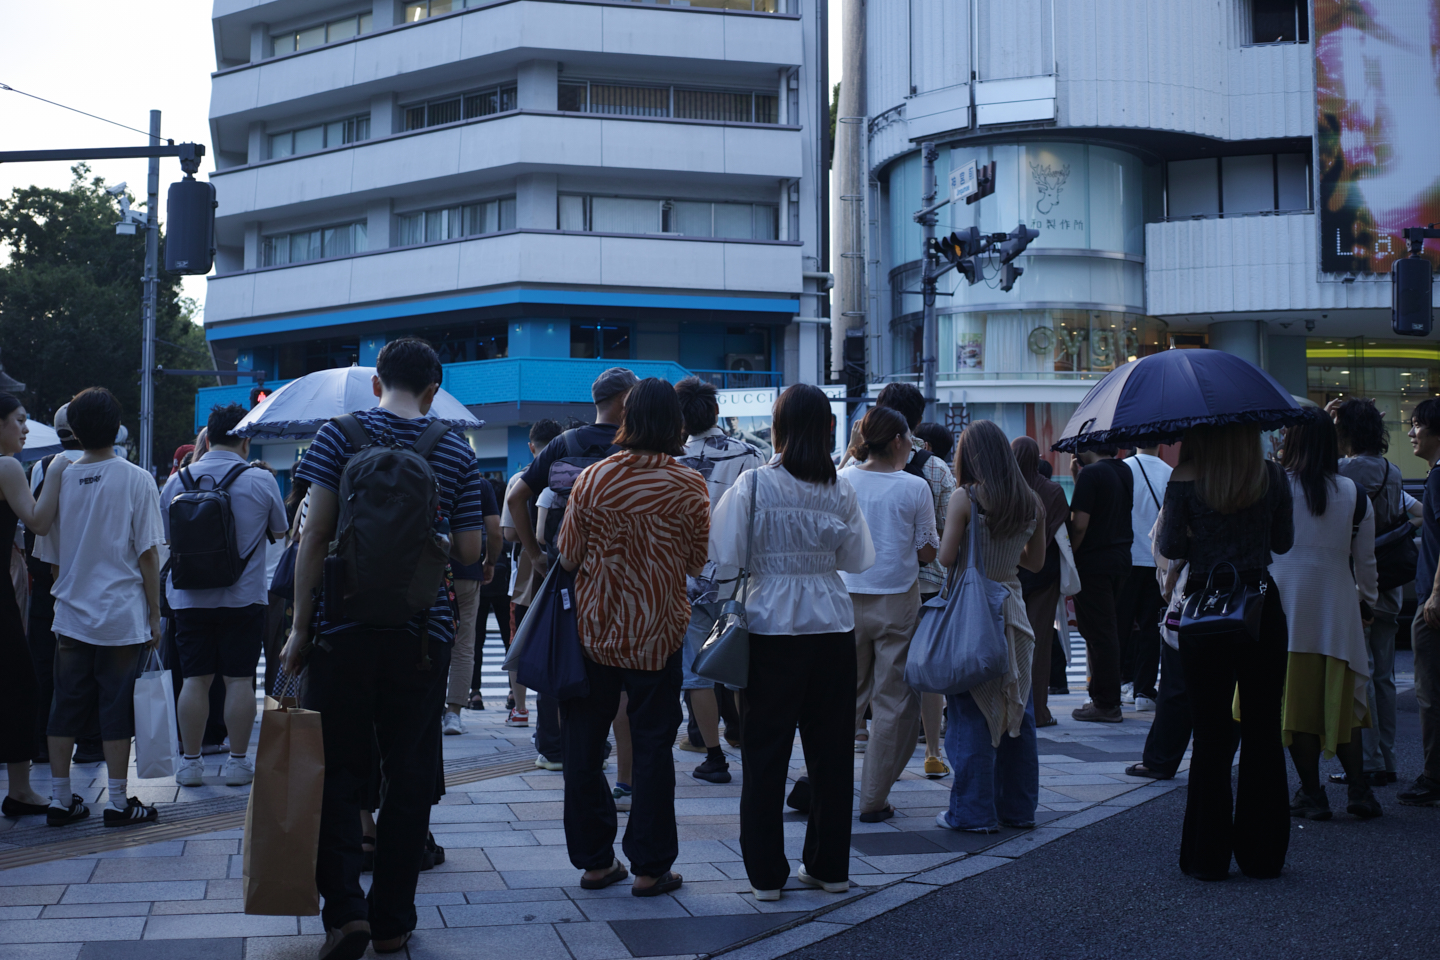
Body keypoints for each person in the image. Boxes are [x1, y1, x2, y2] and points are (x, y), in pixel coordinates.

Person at [280, 338, 486, 959]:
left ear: (377, 383)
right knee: (409, 773)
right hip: (421, 634)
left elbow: (315, 536)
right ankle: (392, 921)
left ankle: (346, 914)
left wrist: (299, 628)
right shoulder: (456, 449)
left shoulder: (337, 436)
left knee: (336, 771)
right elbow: (470, 552)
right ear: (433, 390)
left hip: (341, 629)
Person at [711, 384, 874, 900]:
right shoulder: (839, 488)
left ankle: (766, 876)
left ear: (777, 427)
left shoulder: (755, 483)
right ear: (827, 428)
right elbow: (858, 558)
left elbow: (726, 551)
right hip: (831, 624)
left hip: (769, 626)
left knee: (765, 754)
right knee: (831, 753)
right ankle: (829, 867)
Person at [553, 378, 710, 897]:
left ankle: (595, 863)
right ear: (676, 424)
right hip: (657, 633)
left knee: (582, 747)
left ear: (627, 417)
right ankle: (649, 867)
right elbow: (696, 562)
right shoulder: (689, 485)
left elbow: (569, 556)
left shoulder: (593, 478)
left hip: (594, 631)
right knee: (653, 749)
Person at [1156, 422, 1294, 880]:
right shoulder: (1271, 475)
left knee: (1211, 733)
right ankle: (1262, 854)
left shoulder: (1185, 477)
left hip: (1205, 607)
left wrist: (1197, 531)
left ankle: (1207, 855)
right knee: (1263, 728)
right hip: (1259, 604)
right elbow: (1283, 542)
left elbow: (1170, 545)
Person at [45, 387, 166, 828]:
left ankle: (60, 800)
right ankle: (117, 802)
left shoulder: (60, 478)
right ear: (117, 428)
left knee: (65, 704)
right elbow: (148, 554)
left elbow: (53, 558)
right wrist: (154, 614)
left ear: (74, 431)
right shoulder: (137, 478)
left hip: (71, 614)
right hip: (120, 614)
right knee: (116, 706)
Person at [160, 403, 289, 789]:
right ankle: (237, 763)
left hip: (189, 600)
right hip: (243, 599)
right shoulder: (260, 480)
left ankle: (190, 764)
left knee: (194, 681)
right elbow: (280, 531)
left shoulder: (176, 483)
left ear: (209, 436)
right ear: (245, 440)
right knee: (238, 681)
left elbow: (168, 539)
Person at [934, 421, 1048, 832]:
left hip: (972, 613)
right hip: (1013, 612)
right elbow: (1035, 563)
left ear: (969, 455)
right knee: (1018, 708)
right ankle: (1018, 810)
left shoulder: (965, 498)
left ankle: (972, 813)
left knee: (970, 711)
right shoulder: (1032, 501)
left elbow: (946, 558)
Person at [1271, 414, 1381, 820]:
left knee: (1296, 707)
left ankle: (1313, 794)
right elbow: (1365, 562)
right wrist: (1366, 602)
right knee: (1343, 704)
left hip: (1285, 607)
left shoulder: (1275, 485)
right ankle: (1360, 791)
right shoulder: (1353, 493)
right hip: (1337, 607)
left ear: (1292, 440)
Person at [839, 406, 939, 822]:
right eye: (910, 440)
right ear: (898, 441)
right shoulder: (914, 487)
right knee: (892, 702)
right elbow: (927, 551)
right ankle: (873, 798)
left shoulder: (842, 479)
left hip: (844, 597)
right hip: (897, 598)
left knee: (842, 696)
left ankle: (821, 783)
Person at [674, 376, 764, 784]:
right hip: (738, 579)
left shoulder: (672, 460)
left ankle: (714, 757)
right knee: (741, 668)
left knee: (697, 672)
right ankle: (754, 748)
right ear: (715, 411)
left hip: (689, 581)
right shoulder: (750, 455)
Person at [874, 384, 955, 780]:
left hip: (871, 582)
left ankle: (865, 736)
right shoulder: (936, 468)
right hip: (926, 583)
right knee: (927, 668)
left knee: (877, 668)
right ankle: (933, 751)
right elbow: (948, 531)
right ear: (919, 419)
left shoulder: (857, 466)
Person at [1332, 398, 1410, 787]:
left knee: (1360, 674)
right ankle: (1389, 759)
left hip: (1356, 583)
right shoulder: (1393, 471)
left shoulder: (1343, 471)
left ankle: (1370, 760)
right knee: (1385, 675)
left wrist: (1327, 422)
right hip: (1390, 582)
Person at [0, 394, 69, 818]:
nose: (25, 429)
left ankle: (21, 790)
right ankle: (21, 790)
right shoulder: (7, 466)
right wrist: (57, 470)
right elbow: (39, 522)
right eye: (19, 420)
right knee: (20, 684)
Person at [22, 402, 103, 765]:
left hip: (47, 581)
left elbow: (31, 524)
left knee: (45, 665)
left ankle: (42, 742)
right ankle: (90, 741)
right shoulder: (110, 466)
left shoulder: (42, 468)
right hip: (95, 581)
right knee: (93, 666)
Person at [499, 418, 563, 728]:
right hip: (565, 565)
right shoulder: (572, 474)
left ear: (531, 446)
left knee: (520, 639)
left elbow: (509, 534)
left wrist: (534, 551)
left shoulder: (519, 479)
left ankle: (520, 709)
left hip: (526, 572)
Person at [1068, 442, 1134, 723]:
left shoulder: (1091, 474)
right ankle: (1102, 697)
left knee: (1099, 634)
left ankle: (1107, 703)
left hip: (1093, 562)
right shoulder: (1123, 470)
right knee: (1108, 630)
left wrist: (1070, 555)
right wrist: (1078, 479)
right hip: (1120, 559)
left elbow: (1080, 524)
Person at [1011, 438, 1069, 728]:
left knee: (1010, 641)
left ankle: (1011, 706)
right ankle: (1038, 710)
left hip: (1010, 572)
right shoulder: (1052, 491)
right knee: (1040, 643)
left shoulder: (1005, 488)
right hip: (1045, 573)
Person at [1401, 398, 1440, 807]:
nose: (1412, 433)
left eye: (1417, 425)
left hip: (1433, 601)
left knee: (1430, 692)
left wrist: (1435, 593)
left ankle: (1433, 777)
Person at [441, 480, 501, 736]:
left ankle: (430, 706)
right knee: (464, 644)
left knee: (425, 638)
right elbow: (495, 531)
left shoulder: (422, 469)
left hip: (428, 570)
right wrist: (490, 562)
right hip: (467, 572)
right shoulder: (480, 485)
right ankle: (453, 714)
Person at [1118, 444, 1173, 711]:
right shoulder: (1169, 473)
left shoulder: (1123, 469)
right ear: (1160, 444)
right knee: (1151, 628)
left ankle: (1112, 686)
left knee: (1120, 626)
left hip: (1126, 559)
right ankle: (1144, 692)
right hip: (1155, 562)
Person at [469, 476, 514, 711]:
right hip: (504, 585)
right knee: (509, 637)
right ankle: (513, 691)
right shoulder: (505, 527)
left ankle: (475, 692)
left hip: (478, 582)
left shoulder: (475, 523)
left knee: (475, 640)